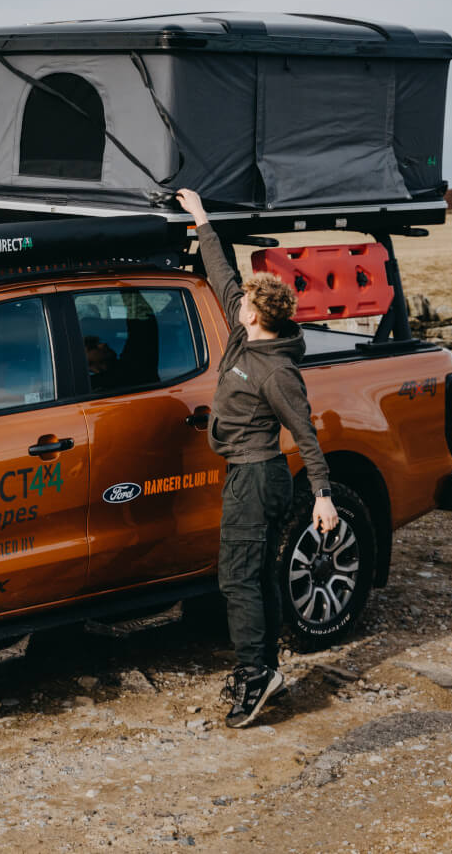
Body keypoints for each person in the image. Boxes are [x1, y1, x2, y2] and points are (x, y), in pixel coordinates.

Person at [176, 188, 339, 729]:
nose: (235, 301)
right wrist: (202, 220)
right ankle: (265, 667)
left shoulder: (275, 370)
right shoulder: (245, 335)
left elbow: (306, 433)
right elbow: (220, 271)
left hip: (258, 475)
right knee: (257, 574)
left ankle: (254, 675)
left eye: (244, 301)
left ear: (256, 314)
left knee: (237, 577)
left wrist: (323, 496)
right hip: (246, 473)